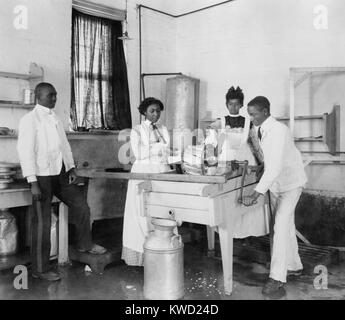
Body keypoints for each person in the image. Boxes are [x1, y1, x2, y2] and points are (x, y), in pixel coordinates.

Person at [17, 82, 106, 282]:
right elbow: (25, 153)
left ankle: (85, 244)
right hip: (41, 176)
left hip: (60, 174)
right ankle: (39, 269)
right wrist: (32, 182)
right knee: (42, 222)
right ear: (38, 97)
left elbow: (64, 146)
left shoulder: (55, 118)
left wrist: (71, 168)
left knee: (81, 204)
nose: (54, 99)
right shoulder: (29, 120)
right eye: (50, 95)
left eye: (56, 95)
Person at [243, 96, 307, 298]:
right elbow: (271, 160)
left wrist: (256, 193)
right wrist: (262, 167)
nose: (251, 118)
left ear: (264, 111)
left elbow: (277, 166)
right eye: (249, 114)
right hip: (277, 185)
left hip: (290, 184)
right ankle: (294, 265)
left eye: (253, 114)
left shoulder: (279, 130)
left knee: (280, 226)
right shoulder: (261, 128)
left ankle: (277, 277)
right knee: (284, 226)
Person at [121, 97, 171, 266]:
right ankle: (143, 255)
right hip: (142, 172)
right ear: (144, 112)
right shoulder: (136, 130)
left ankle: (163, 252)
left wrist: (158, 150)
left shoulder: (163, 129)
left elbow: (167, 151)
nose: (155, 114)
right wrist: (158, 148)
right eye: (152, 111)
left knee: (161, 211)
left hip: (160, 171)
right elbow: (139, 154)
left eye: (158, 111)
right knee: (142, 213)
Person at [204, 86, 257, 170]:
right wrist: (211, 158)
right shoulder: (220, 122)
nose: (233, 107)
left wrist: (261, 163)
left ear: (241, 105)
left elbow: (255, 146)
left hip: (245, 164)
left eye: (236, 104)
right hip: (225, 164)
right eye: (230, 104)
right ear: (226, 105)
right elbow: (210, 141)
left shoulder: (248, 123)